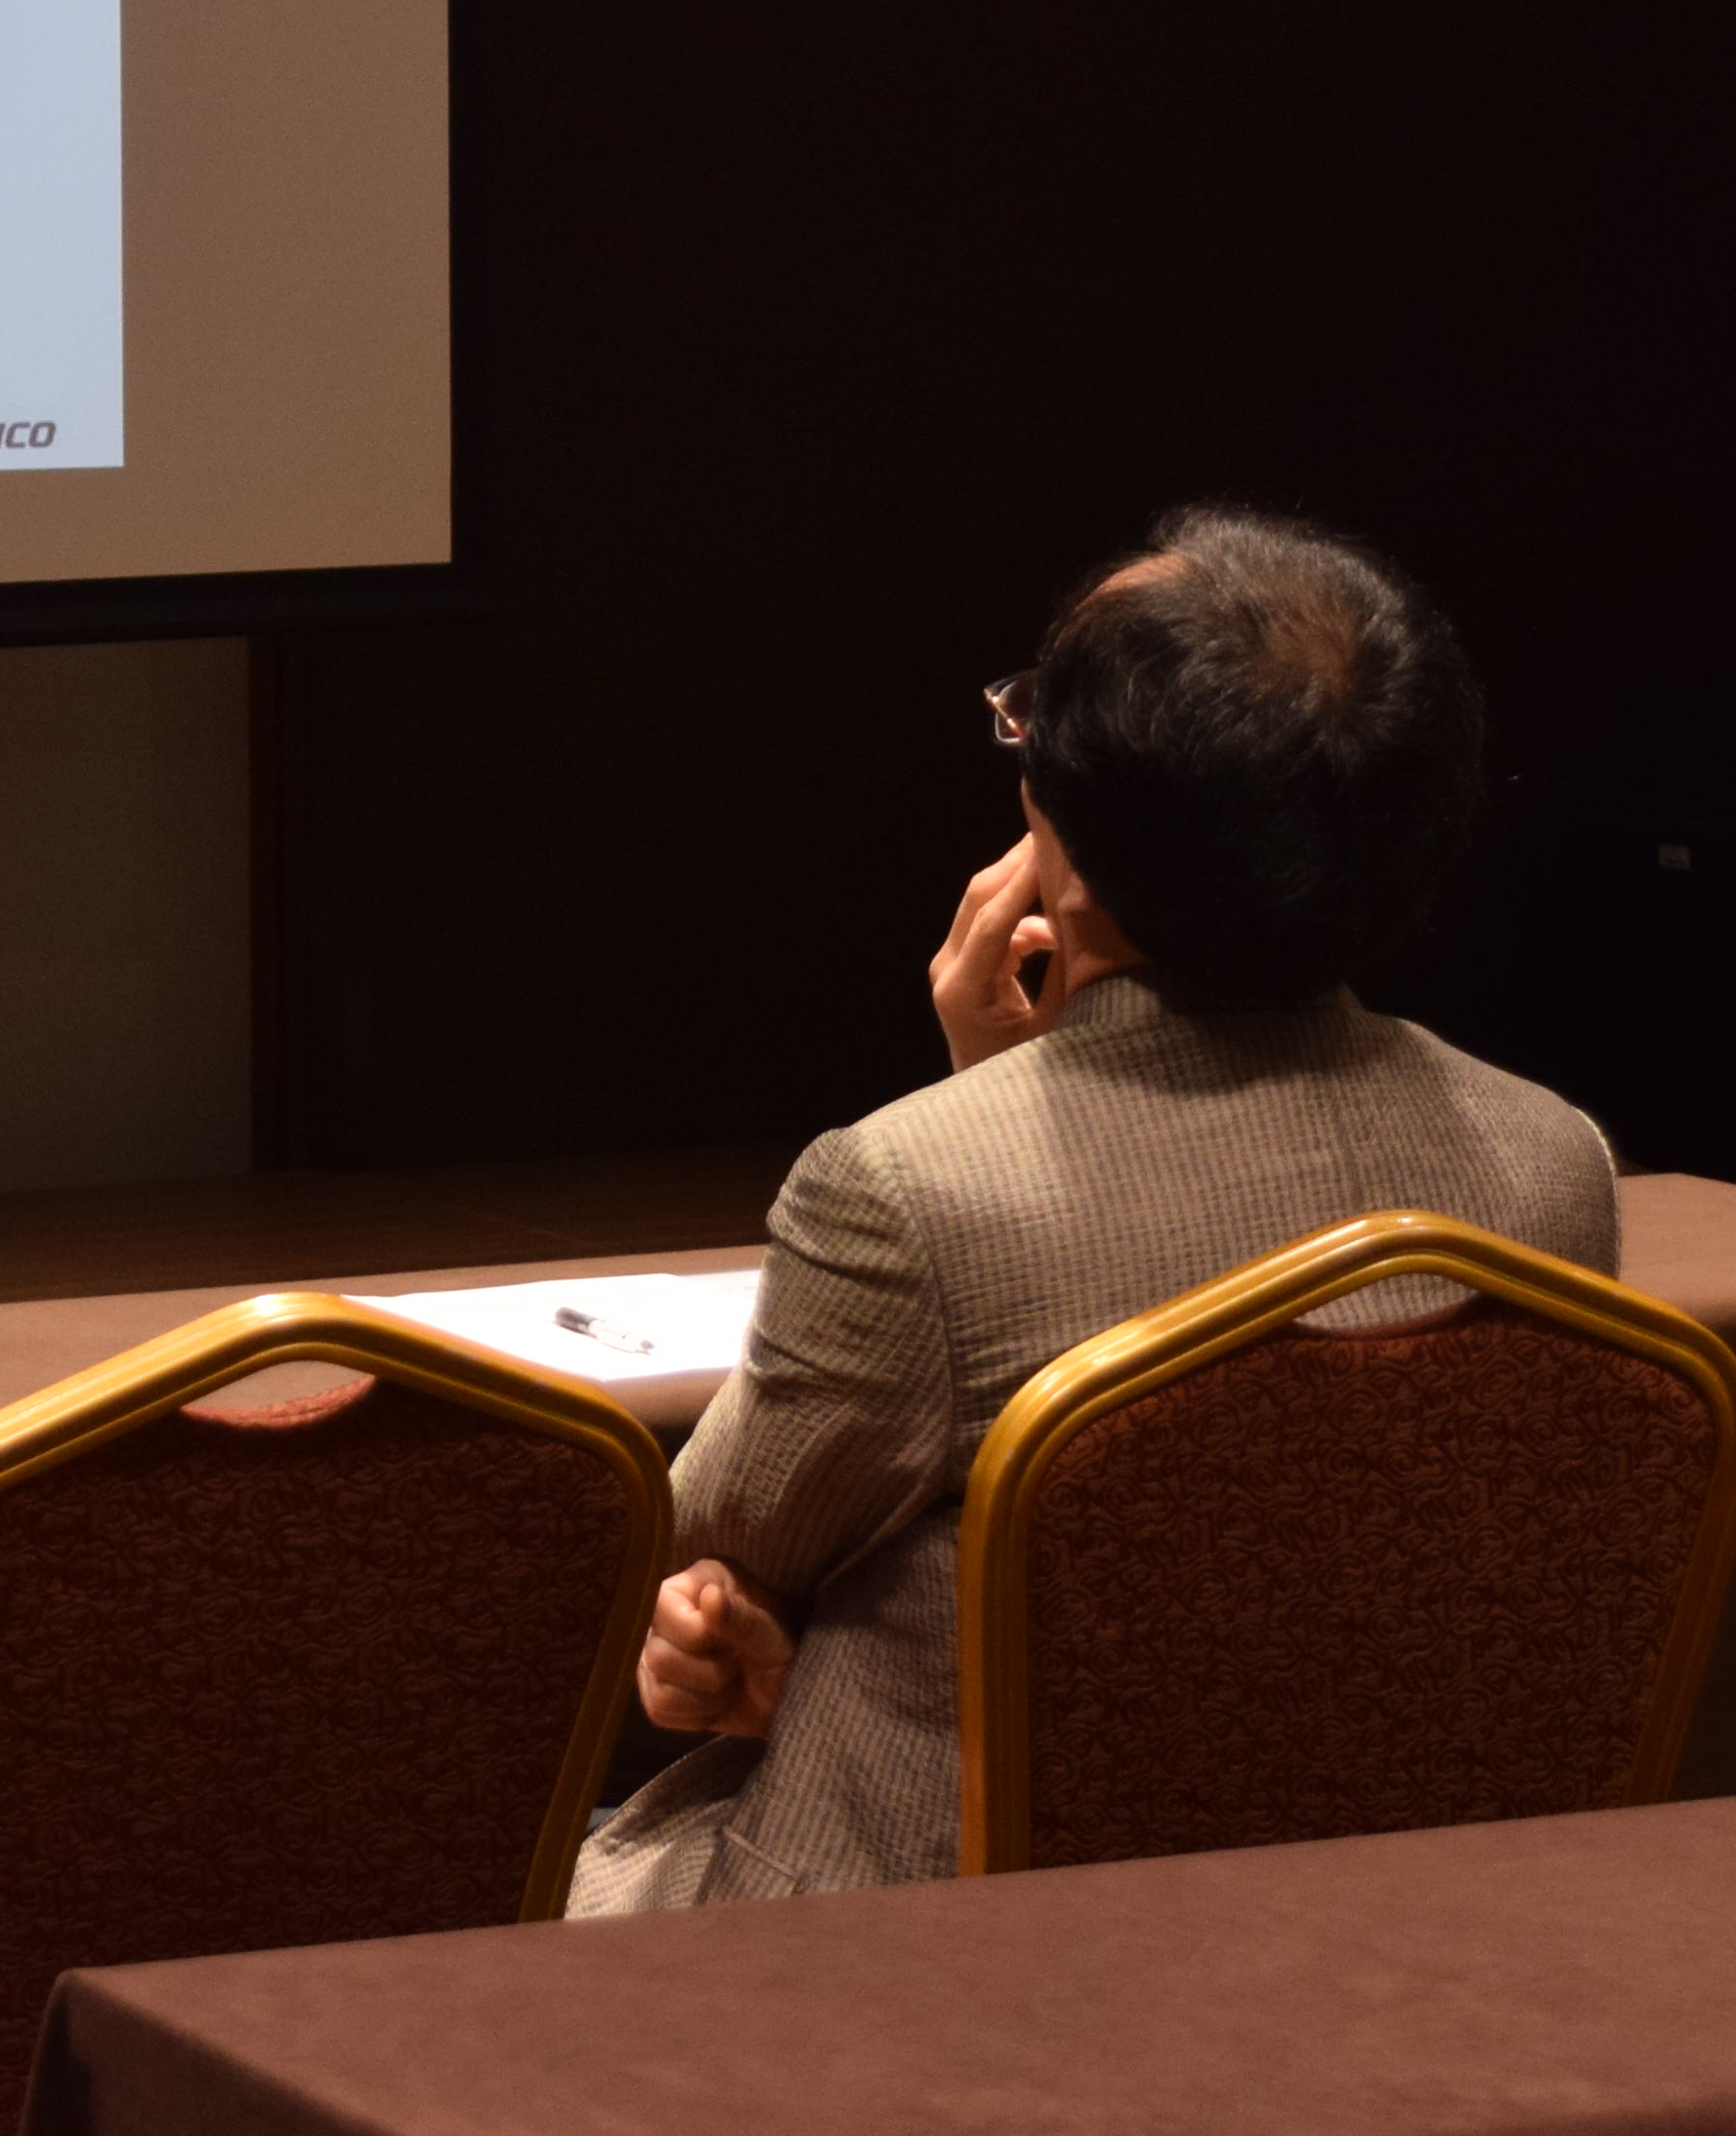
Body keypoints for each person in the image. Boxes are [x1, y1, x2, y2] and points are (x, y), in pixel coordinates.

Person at [566, 507, 1614, 1911]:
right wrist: (1006, 1104)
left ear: (1067, 837)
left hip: (947, 1942)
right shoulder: (1550, 1163)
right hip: (1373, 1923)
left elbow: (708, 1536)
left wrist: (987, 1118)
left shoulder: (907, 1192)